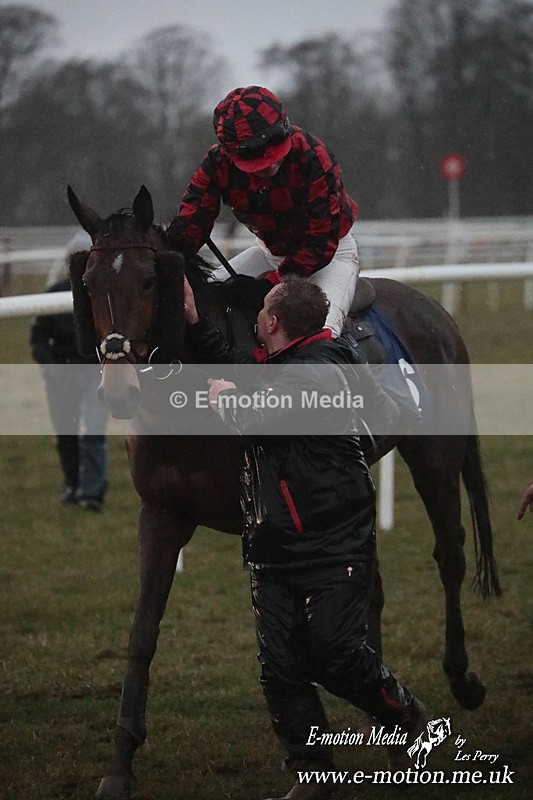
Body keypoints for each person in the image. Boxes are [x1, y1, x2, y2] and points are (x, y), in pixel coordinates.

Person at [184, 275, 426, 800]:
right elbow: (245, 371)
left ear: (271, 322)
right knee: (280, 670)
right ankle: (313, 773)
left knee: (334, 657)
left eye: (262, 312)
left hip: (331, 546)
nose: (256, 320)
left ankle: (402, 708)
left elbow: (255, 417)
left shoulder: (312, 375)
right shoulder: (298, 363)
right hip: (274, 548)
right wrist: (197, 323)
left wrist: (226, 401)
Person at [168, 85, 360, 338]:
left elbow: (319, 242)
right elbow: (190, 224)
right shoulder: (217, 164)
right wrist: (167, 264)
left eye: (275, 152)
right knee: (202, 299)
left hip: (330, 257)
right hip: (270, 255)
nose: (271, 164)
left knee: (318, 338)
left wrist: (269, 284)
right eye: (258, 161)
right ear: (230, 153)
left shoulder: (313, 156)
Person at [30, 275, 109, 511]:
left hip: (94, 373)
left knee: (92, 431)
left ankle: (92, 493)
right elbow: (38, 340)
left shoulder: (104, 293)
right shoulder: (53, 294)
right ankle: (73, 485)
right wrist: (52, 369)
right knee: (66, 433)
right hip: (61, 376)